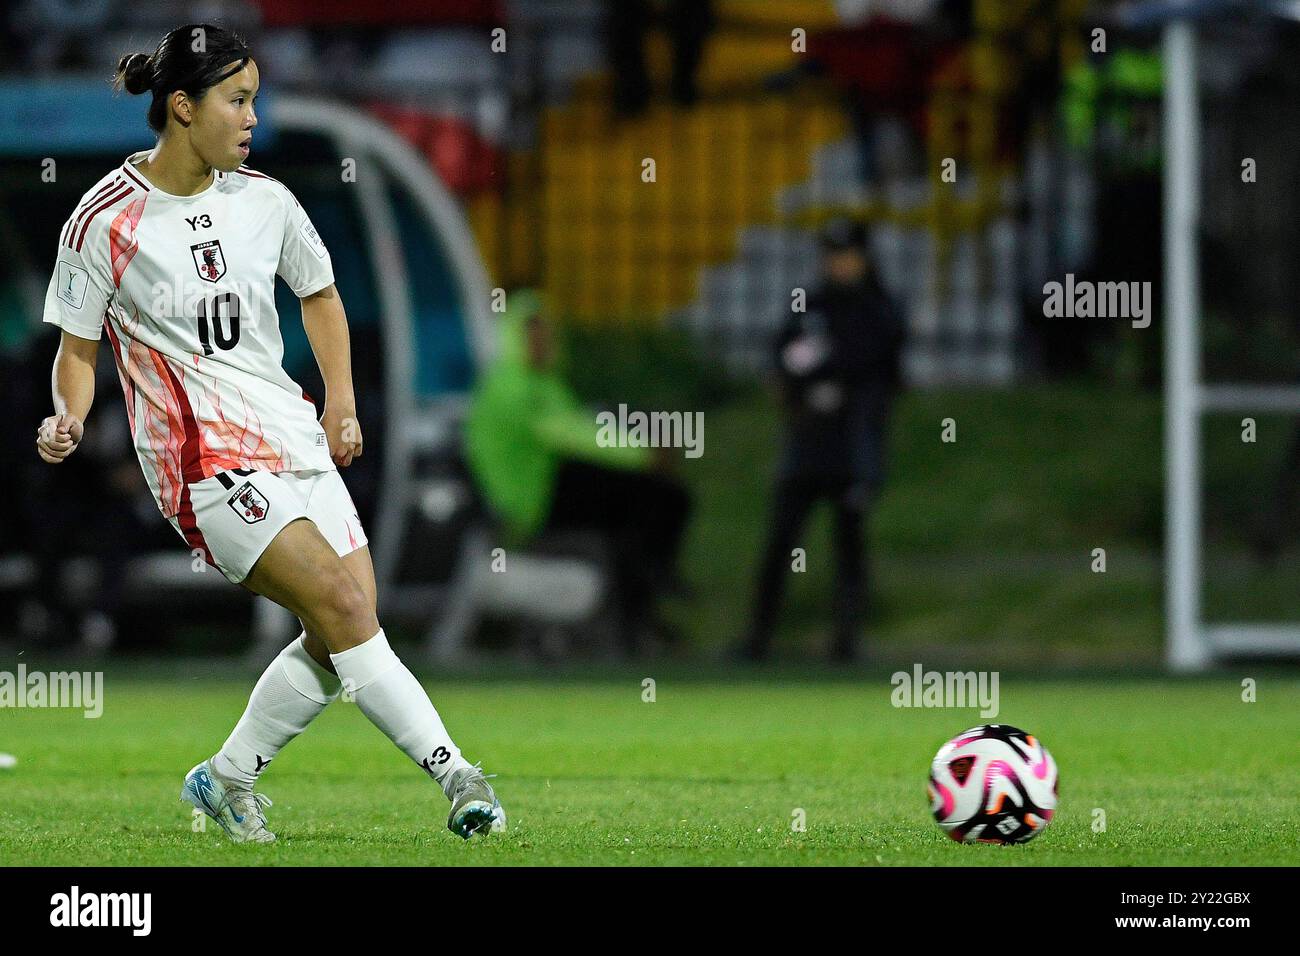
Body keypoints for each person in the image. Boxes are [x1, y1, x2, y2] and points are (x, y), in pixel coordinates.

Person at [35, 24, 503, 843]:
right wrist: (69, 414)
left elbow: (319, 295)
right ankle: (456, 774)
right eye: (237, 100)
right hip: (201, 462)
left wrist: (341, 404)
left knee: (337, 632)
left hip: (291, 435)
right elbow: (77, 348)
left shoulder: (266, 200)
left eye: (254, 99)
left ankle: (224, 778)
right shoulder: (105, 219)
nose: (254, 117)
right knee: (347, 605)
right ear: (183, 107)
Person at [464, 290, 692, 655]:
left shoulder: (531, 381)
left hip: (538, 489)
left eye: (546, 332)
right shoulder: (515, 386)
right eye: (534, 332)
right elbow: (571, 433)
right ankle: (646, 593)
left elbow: (577, 429)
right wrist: (642, 455)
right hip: (528, 500)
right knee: (656, 498)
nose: (544, 340)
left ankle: (641, 600)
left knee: (640, 505)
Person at [735, 219, 906, 663]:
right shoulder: (812, 305)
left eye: (847, 255)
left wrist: (823, 376)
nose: (839, 264)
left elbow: (870, 367)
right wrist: (804, 385)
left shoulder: (879, 308)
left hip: (852, 443)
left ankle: (846, 640)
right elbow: (782, 358)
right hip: (807, 440)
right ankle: (758, 635)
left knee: (848, 542)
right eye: (833, 255)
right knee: (781, 539)